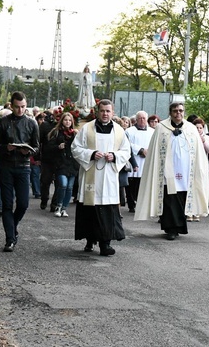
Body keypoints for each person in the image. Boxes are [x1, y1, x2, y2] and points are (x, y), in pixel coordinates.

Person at [135, 102, 209, 240]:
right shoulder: (161, 128)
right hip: (166, 171)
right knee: (169, 199)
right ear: (170, 112)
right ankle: (171, 229)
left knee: (181, 198)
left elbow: (198, 151)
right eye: (175, 111)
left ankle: (180, 226)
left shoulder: (191, 128)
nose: (178, 113)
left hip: (186, 171)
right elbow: (154, 151)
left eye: (181, 111)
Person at [71, 99, 131, 255]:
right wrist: (91, 154)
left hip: (109, 176)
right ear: (97, 111)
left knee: (108, 210)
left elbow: (126, 151)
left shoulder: (119, 131)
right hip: (92, 174)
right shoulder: (87, 129)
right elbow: (75, 148)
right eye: (102, 110)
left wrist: (114, 156)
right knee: (90, 210)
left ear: (113, 112)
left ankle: (105, 244)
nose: (105, 114)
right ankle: (90, 240)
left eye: (108, 111)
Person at [0, 91, 40, 252]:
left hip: (24, 166)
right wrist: (7, 147)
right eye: (17, 107)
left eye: (23, 107)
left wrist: (29, 151)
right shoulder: (3, 122)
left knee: (24, 204)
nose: (20, 110)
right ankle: (9, 238)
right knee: (6, 204)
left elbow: (37, 146)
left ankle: (13, 227)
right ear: (11, 106)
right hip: (6, 166)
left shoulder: (32, 123)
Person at [45, 112, 80, 218]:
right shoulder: (56, 132)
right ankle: (58, 206)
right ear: (62, 121)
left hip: (72, 164)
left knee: (70, 187)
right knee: (63, 184)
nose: (67, 122)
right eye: (66, 120)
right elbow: (48, 147)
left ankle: (64, 208)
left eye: (69, 120)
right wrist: (58, 147)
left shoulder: (75, 134)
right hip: (61, 163)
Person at [125, 111, 154, 214]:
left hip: (146, 160)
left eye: (144, 118)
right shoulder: (129, 131)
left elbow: (154, 144)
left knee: (143, 184)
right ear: (136, 120)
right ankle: (131, 204)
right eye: (140, 118)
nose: (142, 120)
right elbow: (127, 144)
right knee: (131, 184)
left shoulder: (152, 132)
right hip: (134, 160)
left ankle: (142, 204)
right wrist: (140, 150)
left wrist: (148, 151)